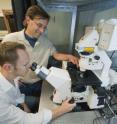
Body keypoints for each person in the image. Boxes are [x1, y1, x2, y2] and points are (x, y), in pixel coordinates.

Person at [2, 5, 79, 112]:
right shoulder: (10, 39)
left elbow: (55, 54)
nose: (42, 30)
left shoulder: (45, 41)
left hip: (39, 84)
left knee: (44, 105)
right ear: (28, 19)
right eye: (39, 25)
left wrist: (69, 56)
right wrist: (12, 79)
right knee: (27, 109)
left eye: (45, 27)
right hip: (20, 86)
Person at [0, 41, 76, 124]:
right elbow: (26, 120)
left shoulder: (11, 75)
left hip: (14, 105)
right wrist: (61, 110)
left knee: (40, 103)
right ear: (8, 68)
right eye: (25, 65)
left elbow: (16, 94)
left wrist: (24, 105)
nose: (29, 66)